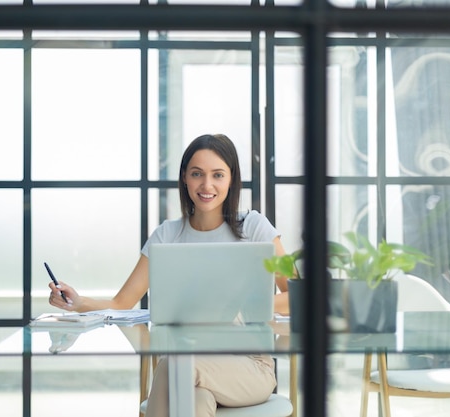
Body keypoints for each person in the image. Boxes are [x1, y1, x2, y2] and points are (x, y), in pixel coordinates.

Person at [48, 133, 291, 417]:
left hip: (248, 366)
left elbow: (298, 295)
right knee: (194, 403)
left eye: (218, 175)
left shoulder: (254, 227)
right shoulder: (167, 235)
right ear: (184, 178)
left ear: (231, 179)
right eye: (197, 174)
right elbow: (122, 303)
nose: (207, 185)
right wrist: (78, 303)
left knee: (175, 363)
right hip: (185, 368)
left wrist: (245, 307)